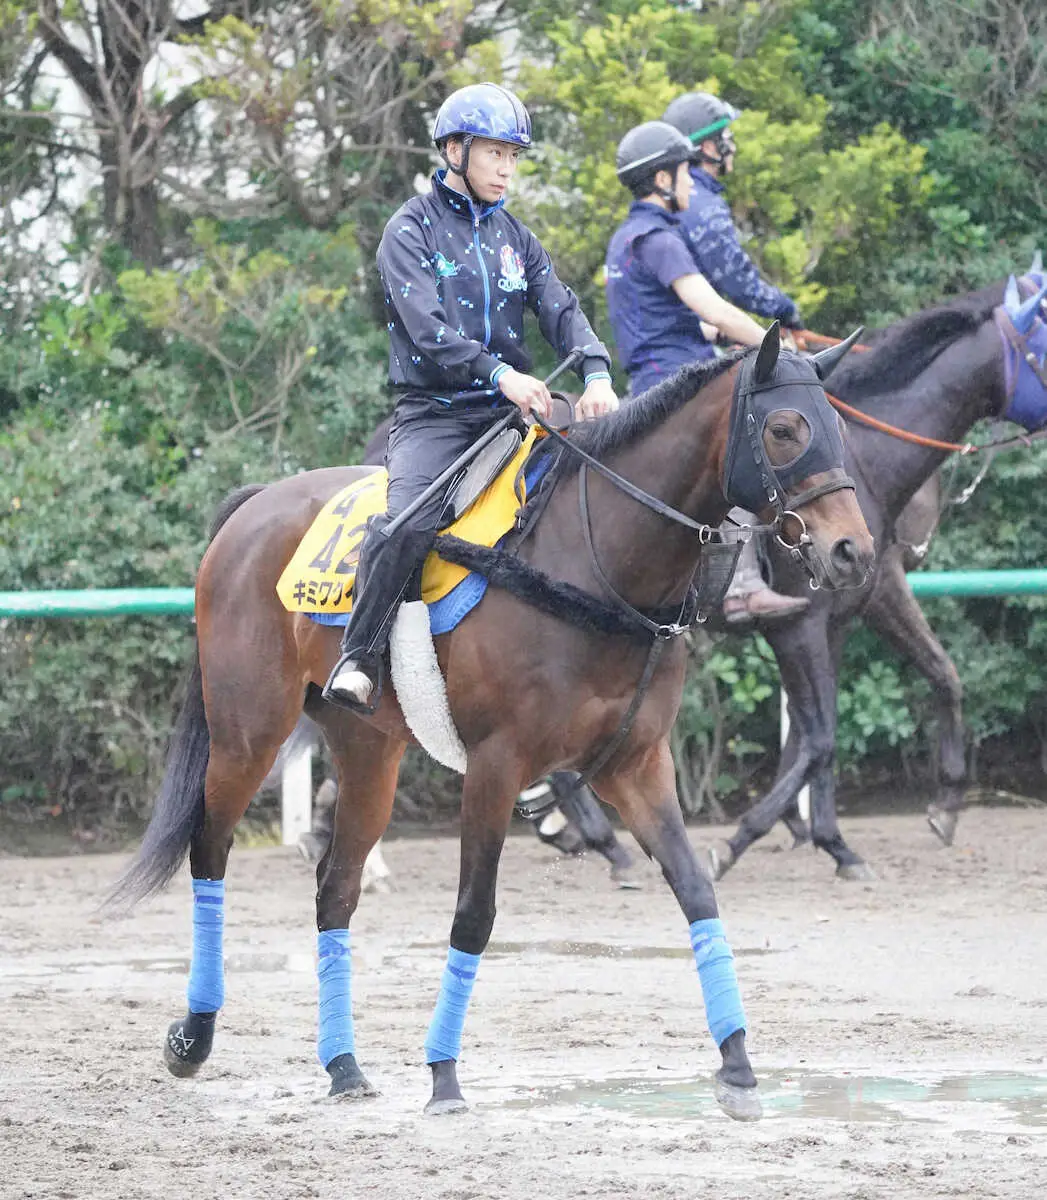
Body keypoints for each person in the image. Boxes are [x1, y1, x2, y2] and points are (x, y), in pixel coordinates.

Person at [325, 82, 619, 708]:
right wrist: (500, 374)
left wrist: (596, 372)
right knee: (404, 521)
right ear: (455, 151)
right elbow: (427, 330)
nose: (508, 170)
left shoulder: (517, 236)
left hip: (512, 415)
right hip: (435, 416)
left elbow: (560, 308)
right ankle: (359, 656)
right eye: (495, 154)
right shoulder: (408, 230)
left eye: (514, 157)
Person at [604, 120, 808, 625]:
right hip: (681, 382)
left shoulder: (627, 239)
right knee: (744, 453)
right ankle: (740, 587)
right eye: (684, 174)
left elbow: (662, 316)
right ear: (661, 180)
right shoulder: (661, 241)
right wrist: (772, 344)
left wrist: (713, 333)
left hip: (651, 379)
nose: (693, 184)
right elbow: (713, 308)